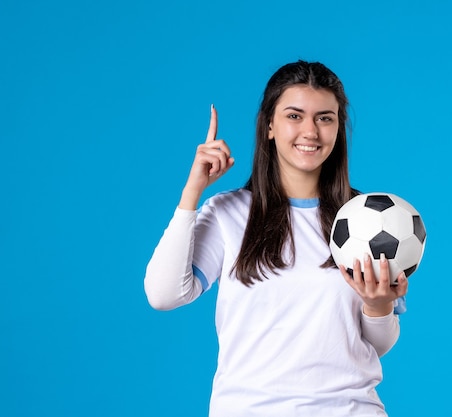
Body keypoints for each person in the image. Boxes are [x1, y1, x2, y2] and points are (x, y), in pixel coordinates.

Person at [144, 60, 408, 417]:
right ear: (269, 125)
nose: (310, 131)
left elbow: (377, 346)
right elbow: (163, 295)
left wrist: (378, 307)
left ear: (338, 129)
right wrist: (192, 191)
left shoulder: (369, 218)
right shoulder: (228, 213)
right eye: (294, 116)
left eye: (325, 118)